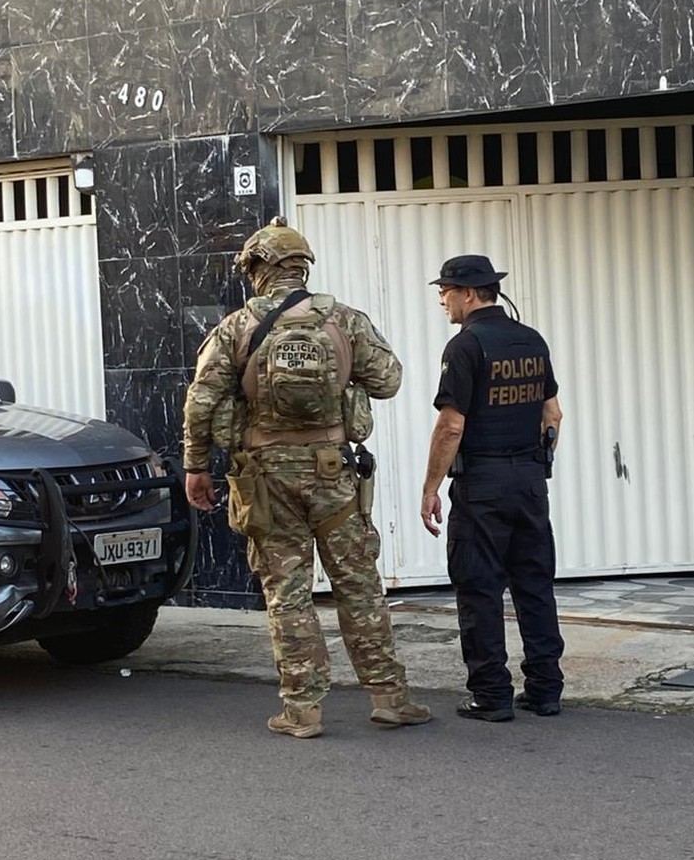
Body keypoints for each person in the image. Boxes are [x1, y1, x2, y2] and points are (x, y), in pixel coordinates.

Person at [182, 217, 431, 739]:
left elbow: (200, 402)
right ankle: (390, 699)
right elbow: (388, 381)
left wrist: (195, 467)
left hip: (265, 480)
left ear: (259, 268)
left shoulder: (236, 328)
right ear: (301, 267)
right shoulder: (344, 320)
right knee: (358, 585)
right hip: (333, 475)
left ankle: (302, 711)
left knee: (288, 593)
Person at [420, 255, 565, 722]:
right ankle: (545, 690)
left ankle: (491, 695)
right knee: (534, 584)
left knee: (479, 587)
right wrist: (537, 463)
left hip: (482, 484)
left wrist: (430, 488)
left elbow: (451, 426)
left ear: (468, 294)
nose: (441, 300)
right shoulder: (532, 340)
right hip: (529, 482)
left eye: (445, 290)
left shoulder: (465, 346)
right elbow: (553, 414)